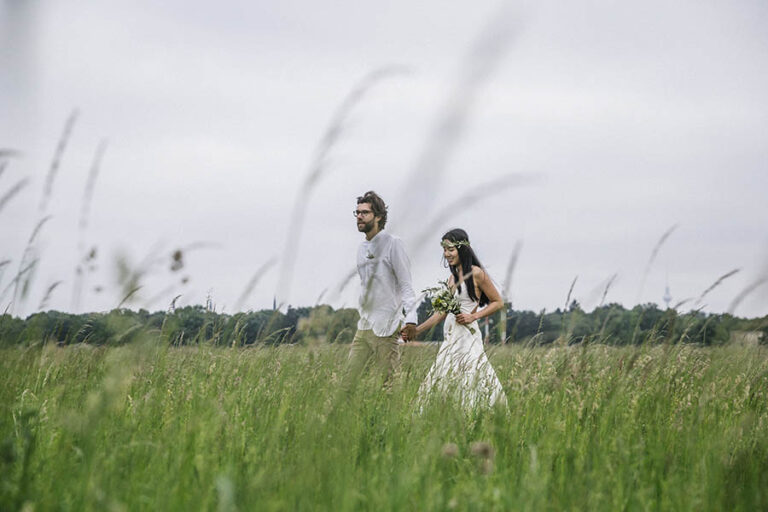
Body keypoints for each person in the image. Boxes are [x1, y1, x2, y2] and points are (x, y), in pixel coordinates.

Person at [403, 228, 507, 408]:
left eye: (450, 249)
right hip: (450, 336)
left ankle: (474, 414)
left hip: (467, 335)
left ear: (462, 248)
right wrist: (417, 330)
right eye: (444, 250)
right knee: (444, 376)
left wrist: (473, 316)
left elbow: (498, 302)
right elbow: (441, 313)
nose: (446, 254)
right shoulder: (451, 278)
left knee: (470, 375)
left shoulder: (476, 273)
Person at [342, 191, 419, 392]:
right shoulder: (361, 248)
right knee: (347, 383)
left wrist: (411, 319)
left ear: (378, 216)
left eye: (365, 213)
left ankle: (393, 422)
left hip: (387, 326)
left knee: (389, 385)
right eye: (357, 212)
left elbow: (406, 285)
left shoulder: (394, 244)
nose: (359, 217)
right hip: (365, 324)